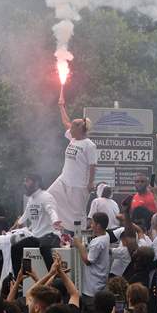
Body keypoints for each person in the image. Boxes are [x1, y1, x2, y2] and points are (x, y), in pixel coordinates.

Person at [49, 94, 97, 231]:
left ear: (80, 129)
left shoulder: (89, 145)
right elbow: (66, 122)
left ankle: (80, 238)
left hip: (78, 185)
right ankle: (55, 227)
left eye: (73, 127)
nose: (69, 129)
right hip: (63, 179)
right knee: (48, 197)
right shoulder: (73, 138)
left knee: (78, 214)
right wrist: (61, 107)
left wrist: (90, 183)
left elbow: (93, 165)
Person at [10, 174, 62, 275]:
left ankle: (55, 278)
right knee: (15, 248)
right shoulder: (31, 199)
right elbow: (25, 215)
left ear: (36, 183)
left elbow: (51, 210)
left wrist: (55, 220)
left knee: (44, 247)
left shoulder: (46, 196)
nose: (25, 184)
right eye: (25, 181)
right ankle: (18, 280)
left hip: (50, 234)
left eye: (27, 181)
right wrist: (13, 228)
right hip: (36, 236)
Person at [73, 212, 110, 313]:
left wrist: (79, 245)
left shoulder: (98, 242)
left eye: (93, 223)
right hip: (100, 282)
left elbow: (88, 261)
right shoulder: (106, 235)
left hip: (91, 287)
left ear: (98, 225)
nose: (91, 226)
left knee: (92, 312)